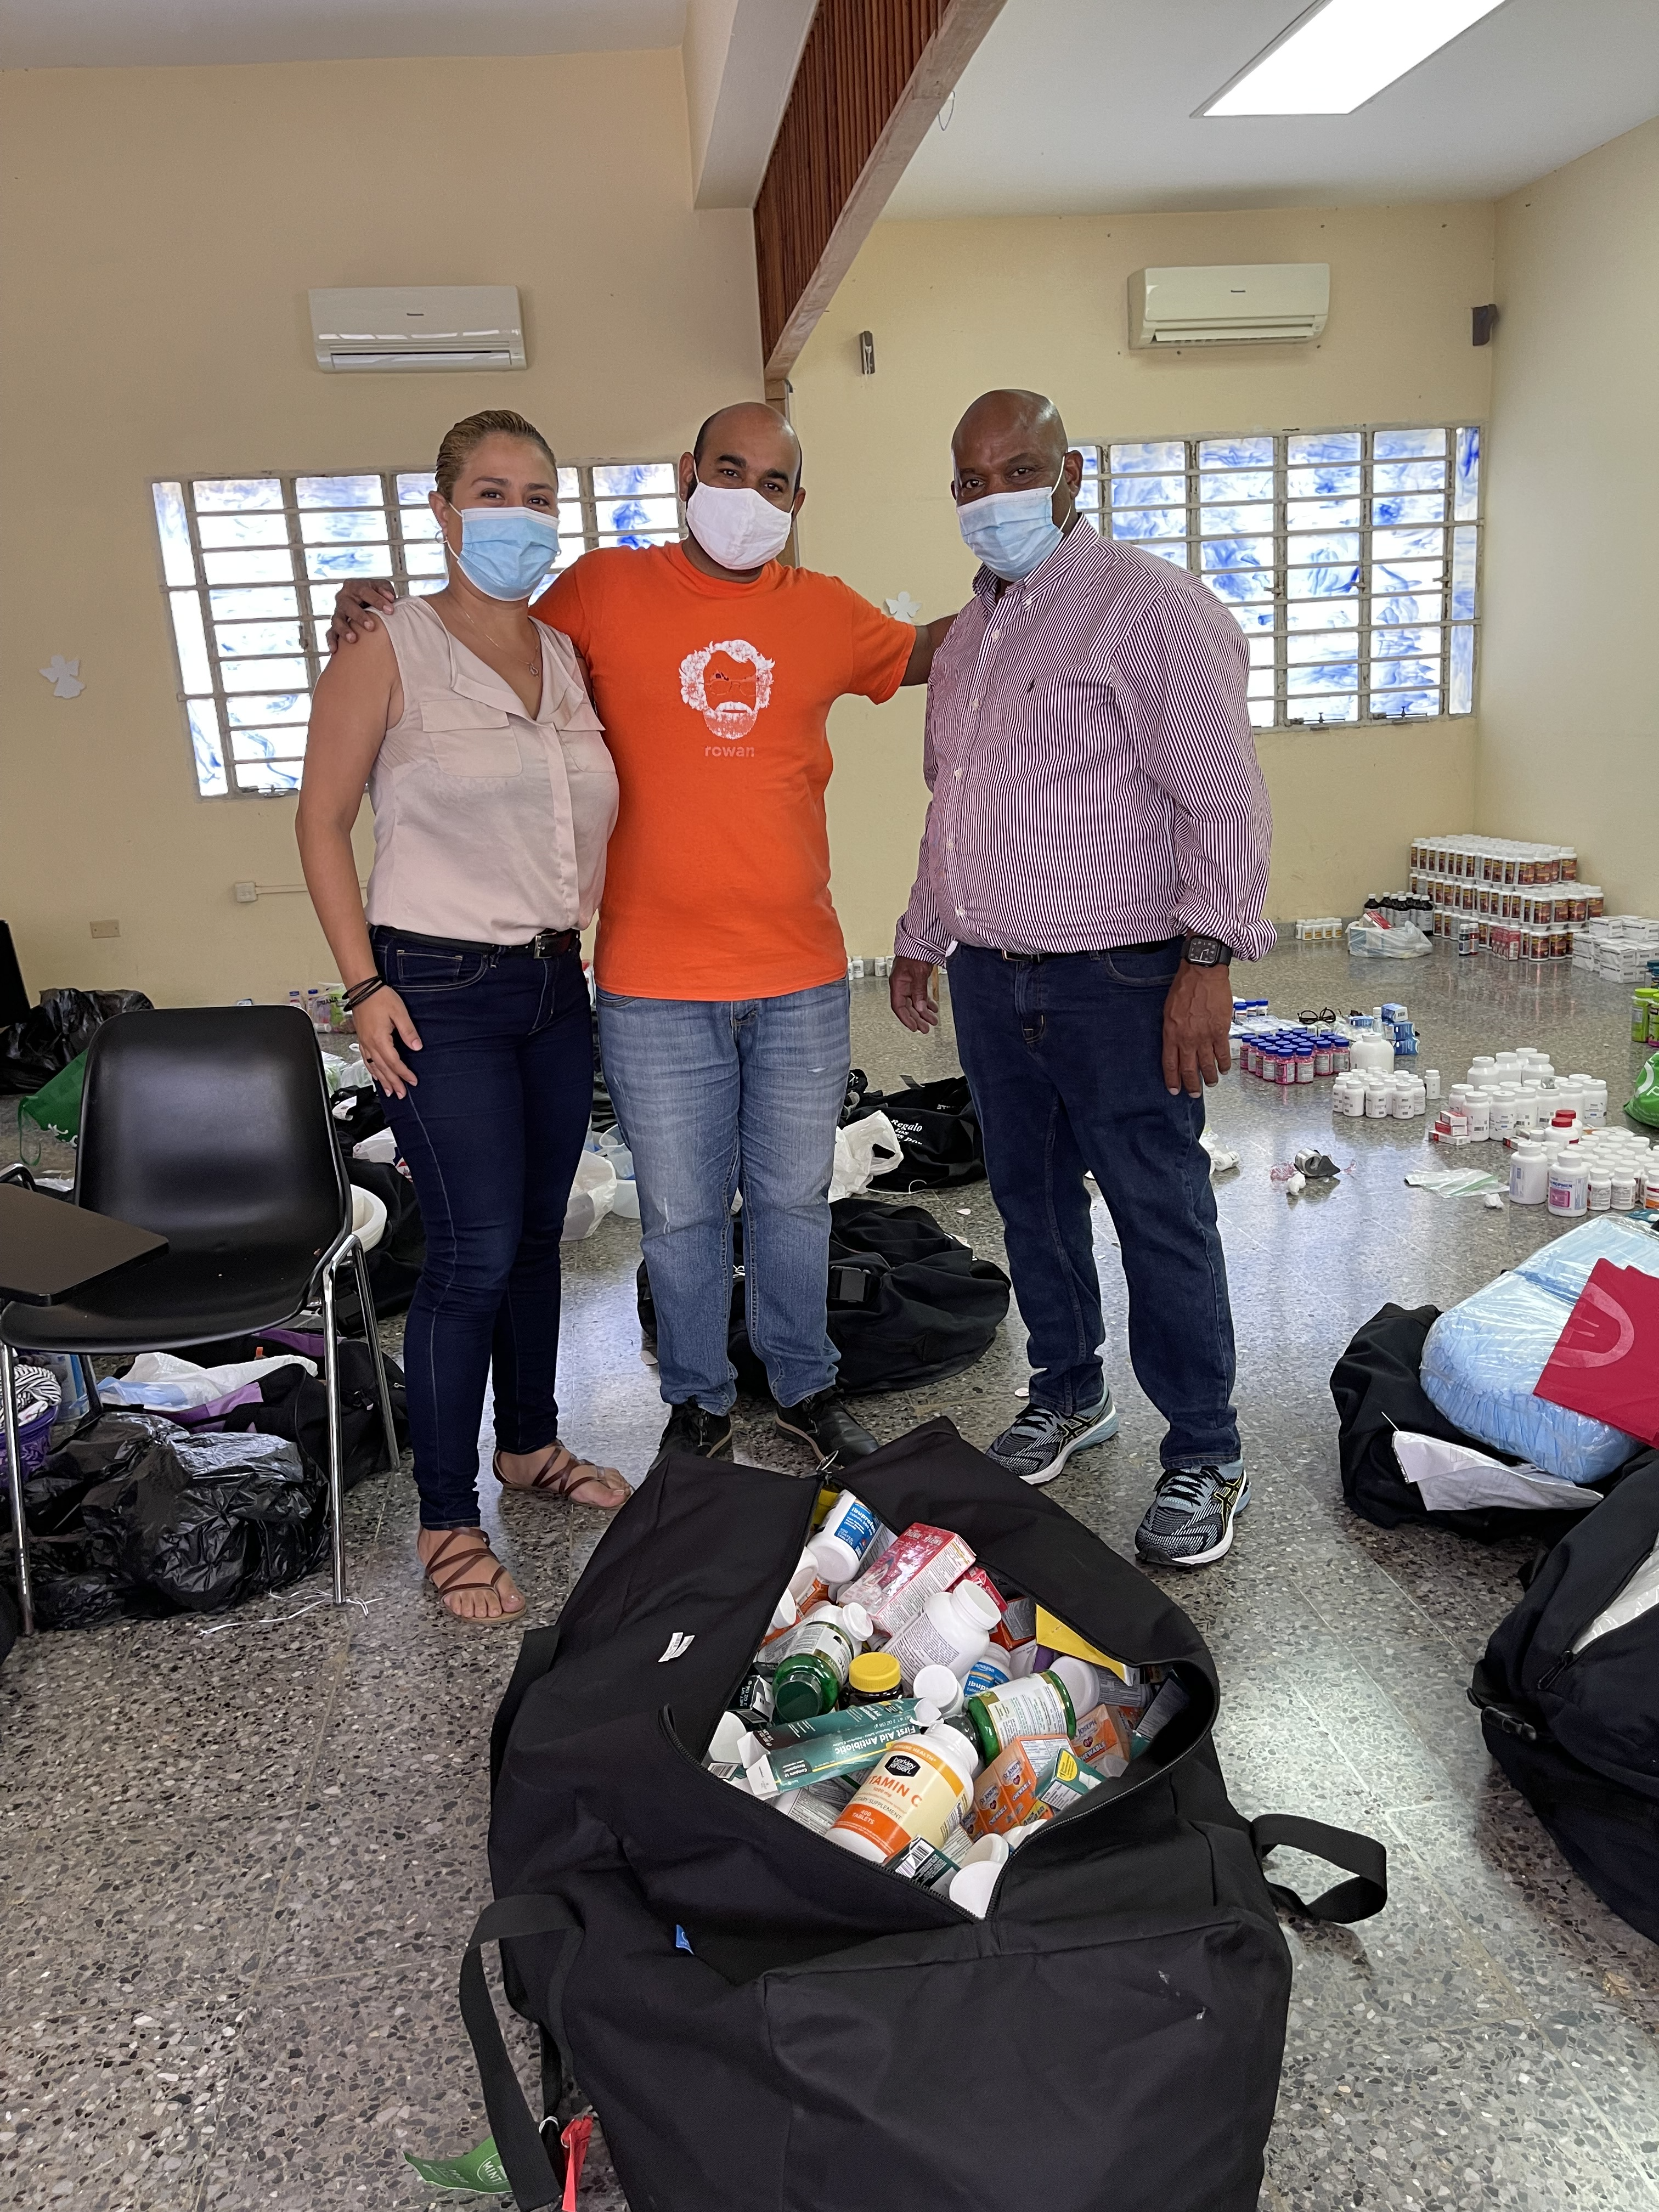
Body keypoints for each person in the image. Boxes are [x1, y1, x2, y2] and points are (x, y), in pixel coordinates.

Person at [329, 402, 955, 1472]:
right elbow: (482, 622)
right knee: (680, 1211)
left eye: (775, 482)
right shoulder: (603, 592)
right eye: (730, 469)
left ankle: (803, 1384)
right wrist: (371, 609)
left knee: (800, 1199)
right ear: (686, 473)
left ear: (799, 501)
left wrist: (1028, 585)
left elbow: (928, 653)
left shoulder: (828, 612)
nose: (750, 497)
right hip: (653, 983)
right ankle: (700, 1400)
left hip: (800, 973)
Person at [890, 388, 1273, 1569]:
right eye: (969, 478)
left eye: (1016, 468)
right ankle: (1067, 1391)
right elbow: (952, 799)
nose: (991, 495)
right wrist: (923, 931)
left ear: (1072, 474)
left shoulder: (1146, 608)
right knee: (1031, 1200)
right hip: (998, 983)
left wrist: (1207, 960)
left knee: (1159, 1210)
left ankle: (1205, 1449)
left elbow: (1222, 790)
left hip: (1121, 976)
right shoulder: (966, 638)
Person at [297, 408, 629, 1626]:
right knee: (475, 1252)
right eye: (492, 492)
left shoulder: (565, 651)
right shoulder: (389, 646)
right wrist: (365, 987)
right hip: (434, 989)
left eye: (540, 495)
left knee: (537, 1237)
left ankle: (529, 1448)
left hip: (553, 985)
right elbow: (320, 823)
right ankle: (447, 1520)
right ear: (442, 511)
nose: (519, 515)